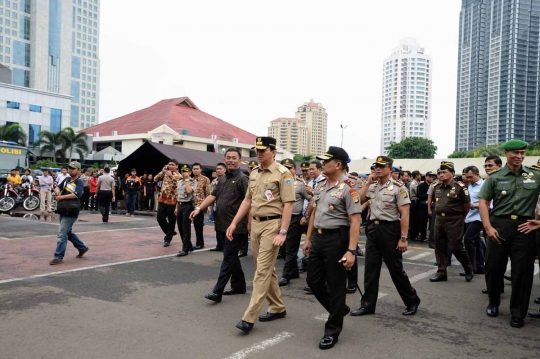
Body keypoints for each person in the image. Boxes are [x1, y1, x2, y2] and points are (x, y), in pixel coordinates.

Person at [226, 136, 295, 334]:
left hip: (273, 224)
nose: (259, 153)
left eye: (263, 150)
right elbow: (247, 200)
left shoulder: (283, 173)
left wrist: (283, 232)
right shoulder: (255, 172)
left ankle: (249, 317)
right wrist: (234, 222)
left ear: (273, 152)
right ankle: (277, 306)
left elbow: (289, 204)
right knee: (264, 267)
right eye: (257, 150)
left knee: (262, 271)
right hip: (256, 225)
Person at [302, 147, 360, 350]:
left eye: (326, 161)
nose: (322, 164)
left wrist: (351, 251)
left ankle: (332, 331)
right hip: (318, 239)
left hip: (337, 240)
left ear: (338, 164)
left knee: (336, 286)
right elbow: (315, 214)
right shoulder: (321, 187)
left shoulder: (349, 189)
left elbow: (355, 222)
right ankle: (339, 308)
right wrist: (308, 240)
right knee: (313, 281)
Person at [479, 139, 540, 328]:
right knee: (494, 267)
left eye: (522, 153)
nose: (519, 157)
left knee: (522, 272)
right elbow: (483, 201)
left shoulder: (535, 175)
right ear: (506, 153)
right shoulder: (495, 177)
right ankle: (494, 302)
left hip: (525, 227)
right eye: (516, 153)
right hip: (499, 225)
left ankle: (518, 313)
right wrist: (488, 227)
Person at [352, 156, 421, 317]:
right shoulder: (373, 185)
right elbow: (359, 200)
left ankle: (412, 300)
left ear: (390, 169)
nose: (378, 169)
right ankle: (367, 304)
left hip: (390, 230)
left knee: (395, 270)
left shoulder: (399, 187)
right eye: (376, 166)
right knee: (370, 270)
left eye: (382, 166)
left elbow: (405, 214)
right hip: (373, 229)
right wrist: (368, 183)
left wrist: (403, 238)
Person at [192, 149, 248, 302]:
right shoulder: (222, 179)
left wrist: (247, 224)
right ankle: (239, 286)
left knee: (228, 258)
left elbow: (249, 202)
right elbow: (212, 195)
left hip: (236, 227)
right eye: (228, 158)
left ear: (239, 160)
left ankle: (217, 291)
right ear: (224, 159)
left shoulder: (243, 179)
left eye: (234, 158)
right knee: (231, 257)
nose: (231, 160)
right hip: (222, 225)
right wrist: (199, 208)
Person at [429, 161, 474, 283]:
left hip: (454, 220)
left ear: (452, 173)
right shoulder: (436, 187)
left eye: (444, 172)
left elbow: (467, 205)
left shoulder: (460, 187)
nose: (441, 175)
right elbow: (435, 202)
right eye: (439, 172)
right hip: (439, 219)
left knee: (455, 246)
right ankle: (441, 272)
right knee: (439, 246)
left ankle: (468, 268)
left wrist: (461, 217)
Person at [278, 159, 311, 287]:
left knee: (291, 248)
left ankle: (285, 275)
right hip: (280, 218)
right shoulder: (278, 182)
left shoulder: (300, 184)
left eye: (289, 167)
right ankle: (294, 271)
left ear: (294, 170)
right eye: (284, 167)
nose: (287, 170)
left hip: (295, 219)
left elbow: (312, 198)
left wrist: (306, 215)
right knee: (284, 247)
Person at [49, 161, 89, 265]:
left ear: (78, 170)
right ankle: (82, 247)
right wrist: (57, 190)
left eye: (73, 168)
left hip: (72, 210)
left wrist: (61, 197)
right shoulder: (67, 180)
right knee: (68, 232)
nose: (70, 170)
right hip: (63, 209)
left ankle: (58, 257)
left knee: (62, 234)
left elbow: (77, 194)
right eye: (69, 168)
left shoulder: (79, 181)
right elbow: (58, 187)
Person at [463, 166, 485, 275]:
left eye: (470, 177)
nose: (468, 179)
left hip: (479, 217)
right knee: (476, 242)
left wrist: (472, 206)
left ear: (477, 174)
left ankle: (470, 267)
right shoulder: (469, 186)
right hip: (468, 217)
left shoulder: (484, 185)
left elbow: (487, 203)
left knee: (468, 239)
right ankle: (479, 266)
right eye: (467, 177)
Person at [155, 159, 181, 246]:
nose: (171, 166)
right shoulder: (166, 173)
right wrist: (163, 172)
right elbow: (156, 179)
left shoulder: (179, 176)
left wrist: (171, 176)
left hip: (172, 201)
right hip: (162, 199)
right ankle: (169, 232)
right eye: (169, 164)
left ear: (177, 166)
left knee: (171, 221)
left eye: (173, 165)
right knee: (160, 218)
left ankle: (168, 239)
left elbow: (179, 185)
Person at [238, 161, 258, 257]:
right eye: (251, 168)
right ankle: (243, 249)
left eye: (255, 168)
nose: (252, 169)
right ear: (248, 169)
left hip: (255, 208)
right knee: (244, 229)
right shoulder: (248, 179)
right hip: (245, 207)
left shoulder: (257, 179)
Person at [175, 165, 195, 256]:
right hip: (180, 205)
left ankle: (185, 248)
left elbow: (189, 191)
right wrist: (176, 207)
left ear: (190, 172)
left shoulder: (193, 181)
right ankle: (189, 245)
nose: (184, 173)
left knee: (186, 227)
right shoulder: (179, 181)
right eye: (183, 171)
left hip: (188, 205)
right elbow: (178, 195)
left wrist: (187, 180)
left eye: (186, 171)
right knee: (180, 227)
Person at [192, 163, 211, 249]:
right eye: (194, 169)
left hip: (199, 206)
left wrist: (208, 206)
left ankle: (200, 243)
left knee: (198, 225)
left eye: (197, 168)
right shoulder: (191, 180)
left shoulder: (205, 179)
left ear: (200, 169)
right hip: (190, 205)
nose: (195, 170)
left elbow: (208, 193)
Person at [210, 163, 227, 251]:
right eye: (217, 169)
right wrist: (210, 207)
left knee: (224, 227)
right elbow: (211, 195)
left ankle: (225, 246)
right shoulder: (214, 181)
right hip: (216, 207)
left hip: (225, 208)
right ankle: (219, 245)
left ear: (225, 170)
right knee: (217, 227)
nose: (218, 170)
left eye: (220, 169)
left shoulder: (227, 180)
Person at [417, 171, 431, 242]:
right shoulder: (421, 185)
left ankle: (431, 237)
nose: (431, 178)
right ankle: (423, 236)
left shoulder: (432, 185)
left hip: (431, 205)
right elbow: (419, 195)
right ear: (426, 176)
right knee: (423, 222)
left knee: (431, 222)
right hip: (423, 206)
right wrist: (429, 195)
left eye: (432, 176)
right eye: (429, 176)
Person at [408, 170, 421, 241]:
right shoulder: (414, 184)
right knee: (414, 220)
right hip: (414, 202)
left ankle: (415, 234)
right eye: (419, 175)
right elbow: (418, 192)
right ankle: (413, 235)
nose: (420, 176)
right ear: (416, 176)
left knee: (416, 220)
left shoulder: (417, 183)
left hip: (416, 202)